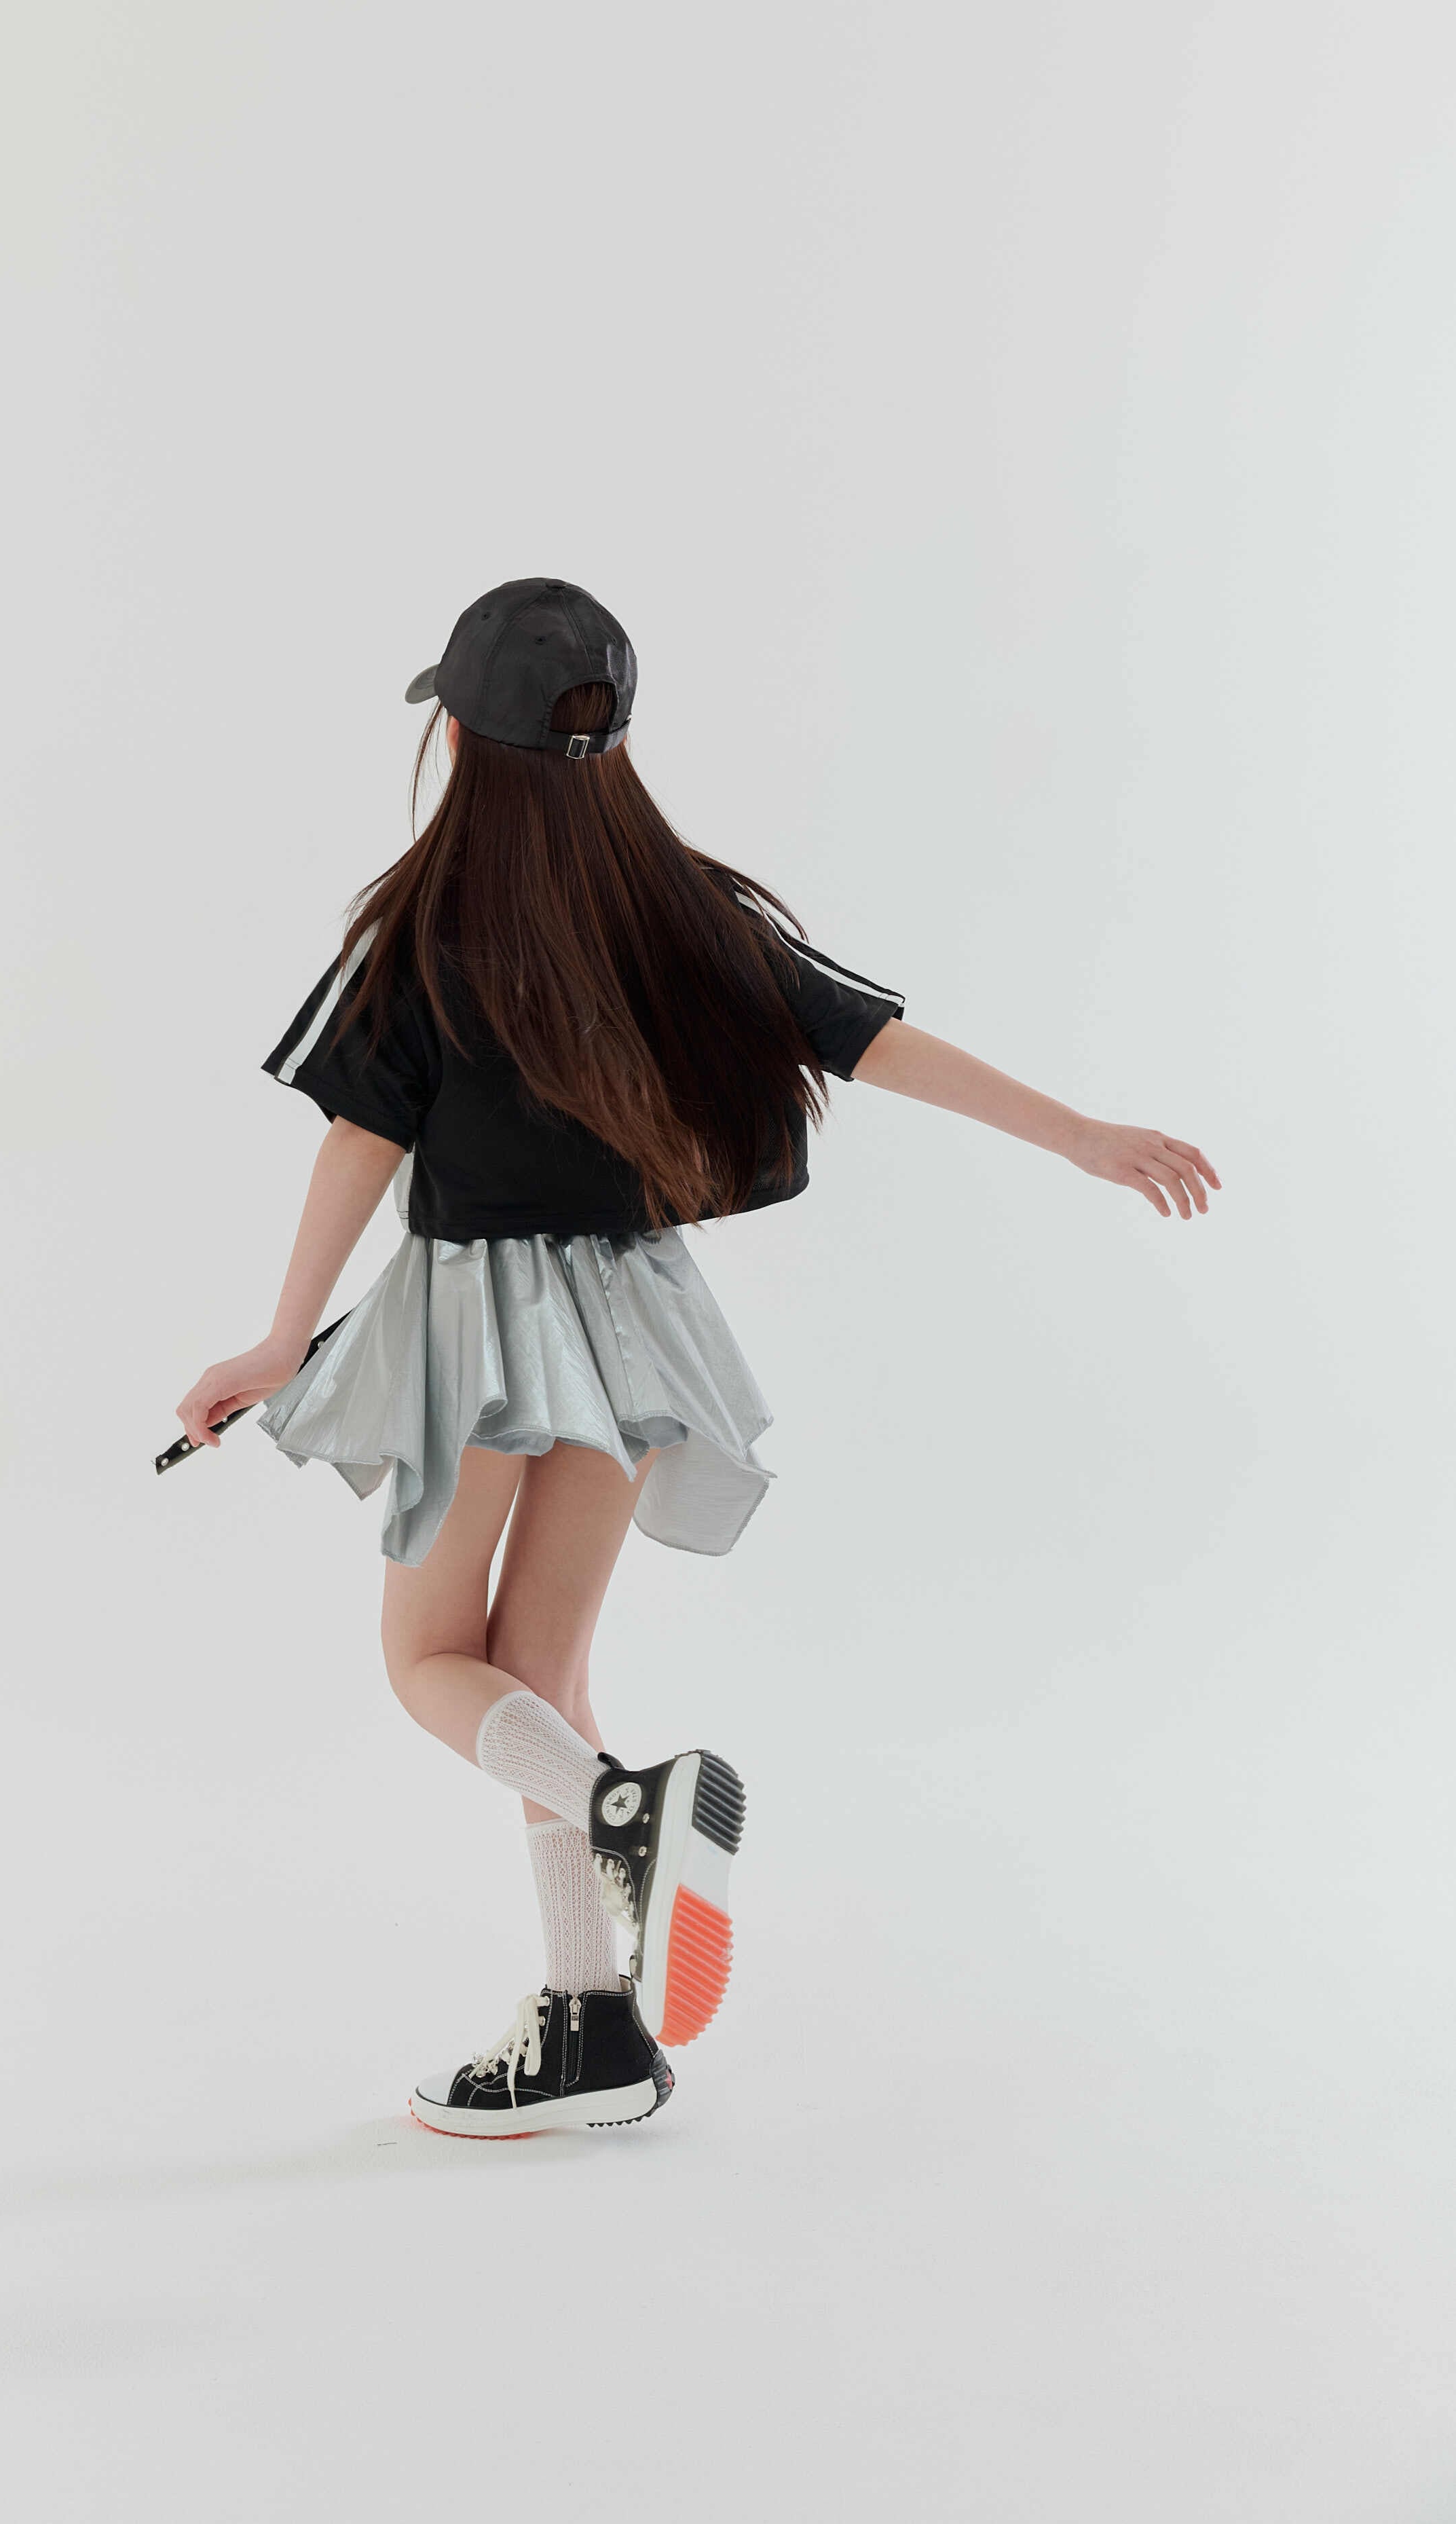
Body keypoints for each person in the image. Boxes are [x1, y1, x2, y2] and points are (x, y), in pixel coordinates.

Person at [175, 576, 1220, 2140]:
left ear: (454, 737)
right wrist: (1077, 1135)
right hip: (634, 1327)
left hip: (472, 1330)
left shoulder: (422, 933)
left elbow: (359, 1142)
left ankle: (623, 1813)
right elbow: (864, 1038)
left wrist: (280, 1333)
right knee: (541, 1675)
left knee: (430, 1665)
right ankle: (588, 2027)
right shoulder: (680, 916)